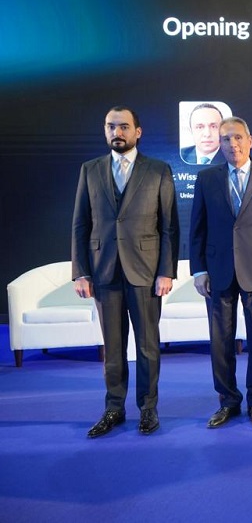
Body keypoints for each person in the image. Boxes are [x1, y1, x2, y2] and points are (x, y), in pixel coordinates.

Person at [72, 106, 179, 438]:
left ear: (137, 132)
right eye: (110, 126)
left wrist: (166, 272)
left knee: (147, 346)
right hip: (104, 271)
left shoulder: (159, 170)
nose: (116, 132)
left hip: (145, 273)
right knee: (113, 348)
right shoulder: (90, 170)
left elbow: (169, 227)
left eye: (123, 127)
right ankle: (114, 409)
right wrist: (80, 272)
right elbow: (80, 224)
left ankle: (148, 408)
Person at [190, 116, 252, 429]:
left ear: (250, 141)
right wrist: (199, 270)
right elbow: (197, 229)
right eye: (225, 139)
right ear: (219, 145)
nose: (232, 144)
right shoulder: (207, 179)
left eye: (237, 138)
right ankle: (228, 401)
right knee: (220, 341)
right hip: (217, 271)